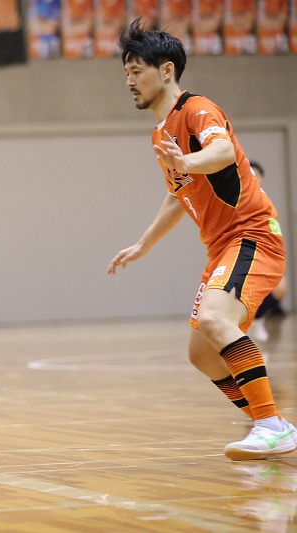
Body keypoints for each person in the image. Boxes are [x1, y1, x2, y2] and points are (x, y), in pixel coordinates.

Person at [106, 19, 294, 461]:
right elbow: (178, 196)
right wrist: (144, 243)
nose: (129, 81)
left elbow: (222, 151)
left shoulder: (197, 109)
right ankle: (273, 423)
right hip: (221, 247)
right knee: (204, 356)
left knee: (214, 319)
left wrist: (188, 161)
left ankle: (270, 425)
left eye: (136, 71)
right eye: (126, 73)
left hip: (252, 235)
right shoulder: (160, 133)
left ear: (166, 70)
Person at [246, 161, 289, 343]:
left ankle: (257, 318)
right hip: (243, 252)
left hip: (267, 252)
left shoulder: (265, 202)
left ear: (262, 178)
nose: (254, 178)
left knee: (280, 289)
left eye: (256, 175)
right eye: (250, 174)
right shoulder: (238, 197)